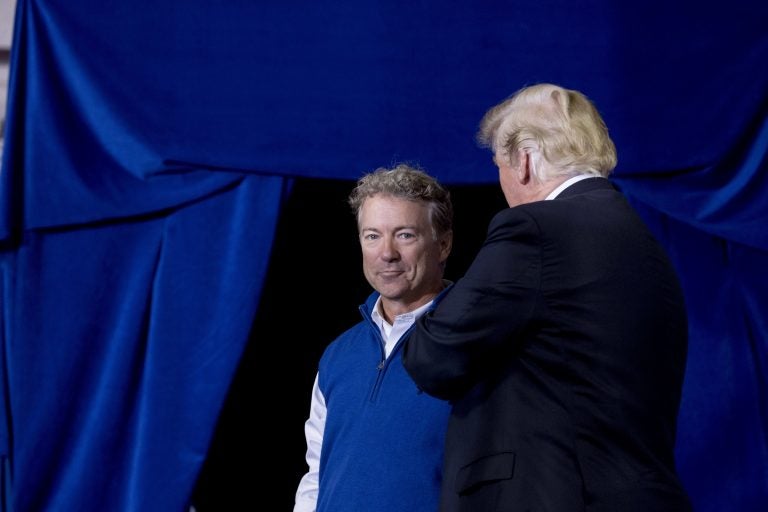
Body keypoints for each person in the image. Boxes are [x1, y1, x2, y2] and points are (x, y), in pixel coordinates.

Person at [401, 83, 692, 512]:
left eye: (498, 165)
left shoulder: (534, 230)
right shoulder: (647, 247)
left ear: (523, 160)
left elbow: (433, 357)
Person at [293, 163, 454, 512]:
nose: (387, 253)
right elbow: (317, 474)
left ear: (443, 245)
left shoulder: (478, 344)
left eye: (405, 234)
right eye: (372, 236)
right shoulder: (339, 355)